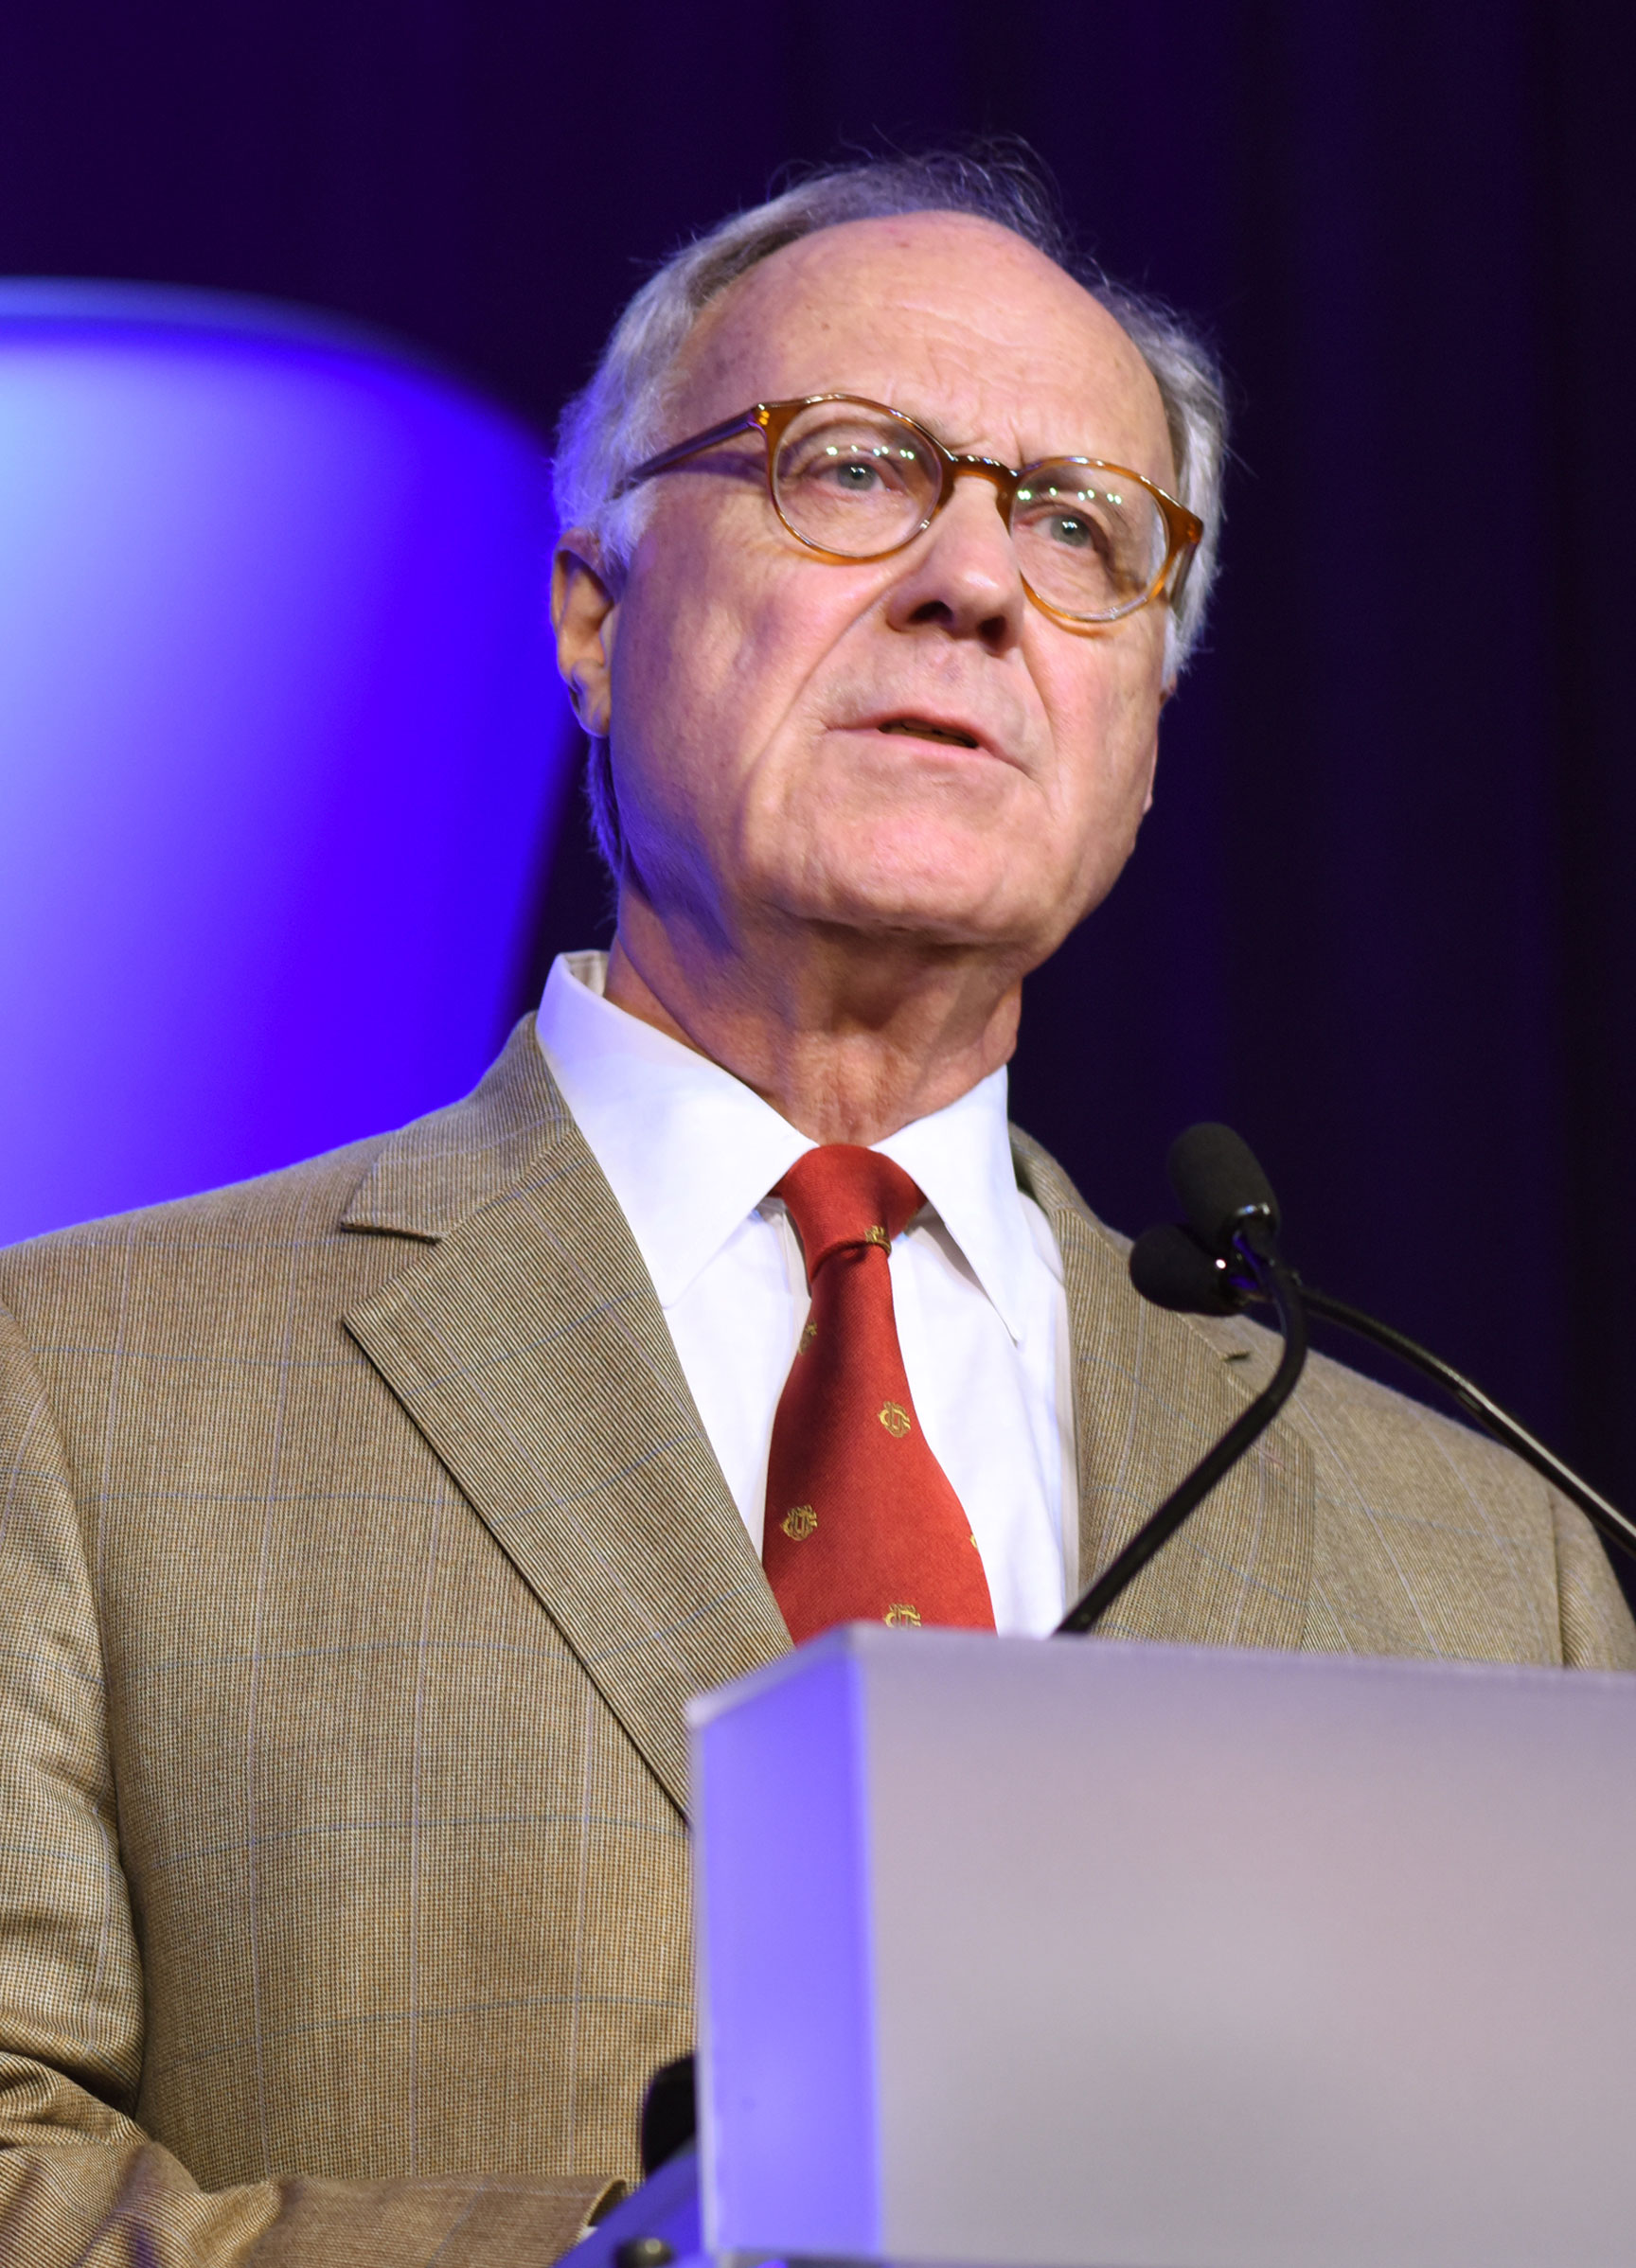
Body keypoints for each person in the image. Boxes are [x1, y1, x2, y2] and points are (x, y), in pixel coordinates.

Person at [0, 151, 1629, 2266]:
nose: (974, 582)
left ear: (1143, 720)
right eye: (852, 468)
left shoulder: (1506, 1564)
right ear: (594, 613)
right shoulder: (74, 1391)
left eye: (1079, 528)